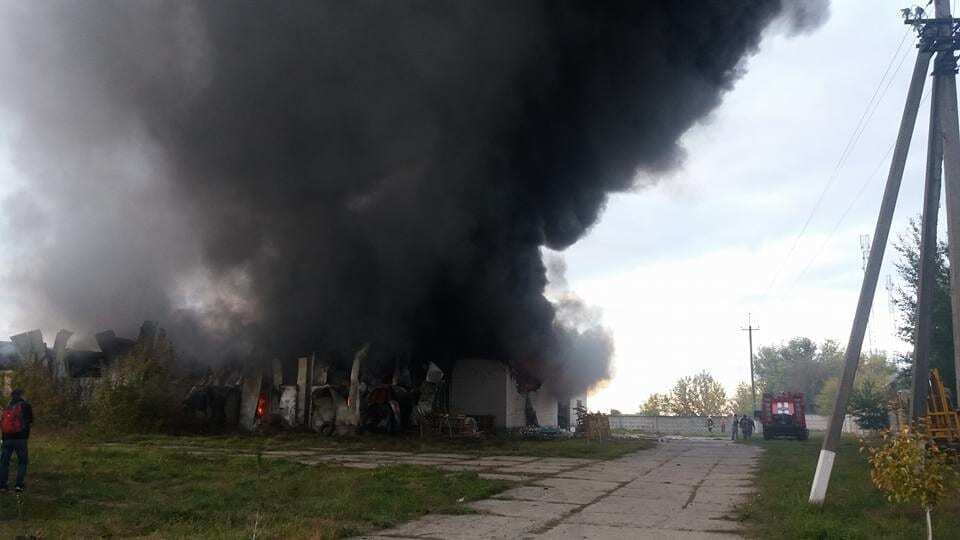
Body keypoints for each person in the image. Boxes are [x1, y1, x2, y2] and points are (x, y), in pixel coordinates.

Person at [0, 389, 33, 492]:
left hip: (7, 438)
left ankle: (3, 485)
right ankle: (19, 485)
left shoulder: (7, 407)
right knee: (22, 462)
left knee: (4, 462)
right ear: (22, 395)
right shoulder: (26, 405)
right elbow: (30, 420)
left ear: (12, 396)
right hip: (21, 438)